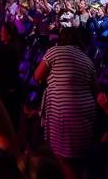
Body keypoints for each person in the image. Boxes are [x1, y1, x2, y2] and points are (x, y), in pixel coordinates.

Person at [34, 26, 97, 178]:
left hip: (65, 110)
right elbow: (94, 88)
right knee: (79, 159)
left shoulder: (55, 51)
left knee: (64, 159)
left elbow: (37, 76)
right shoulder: (87, 59)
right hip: (86, 110)